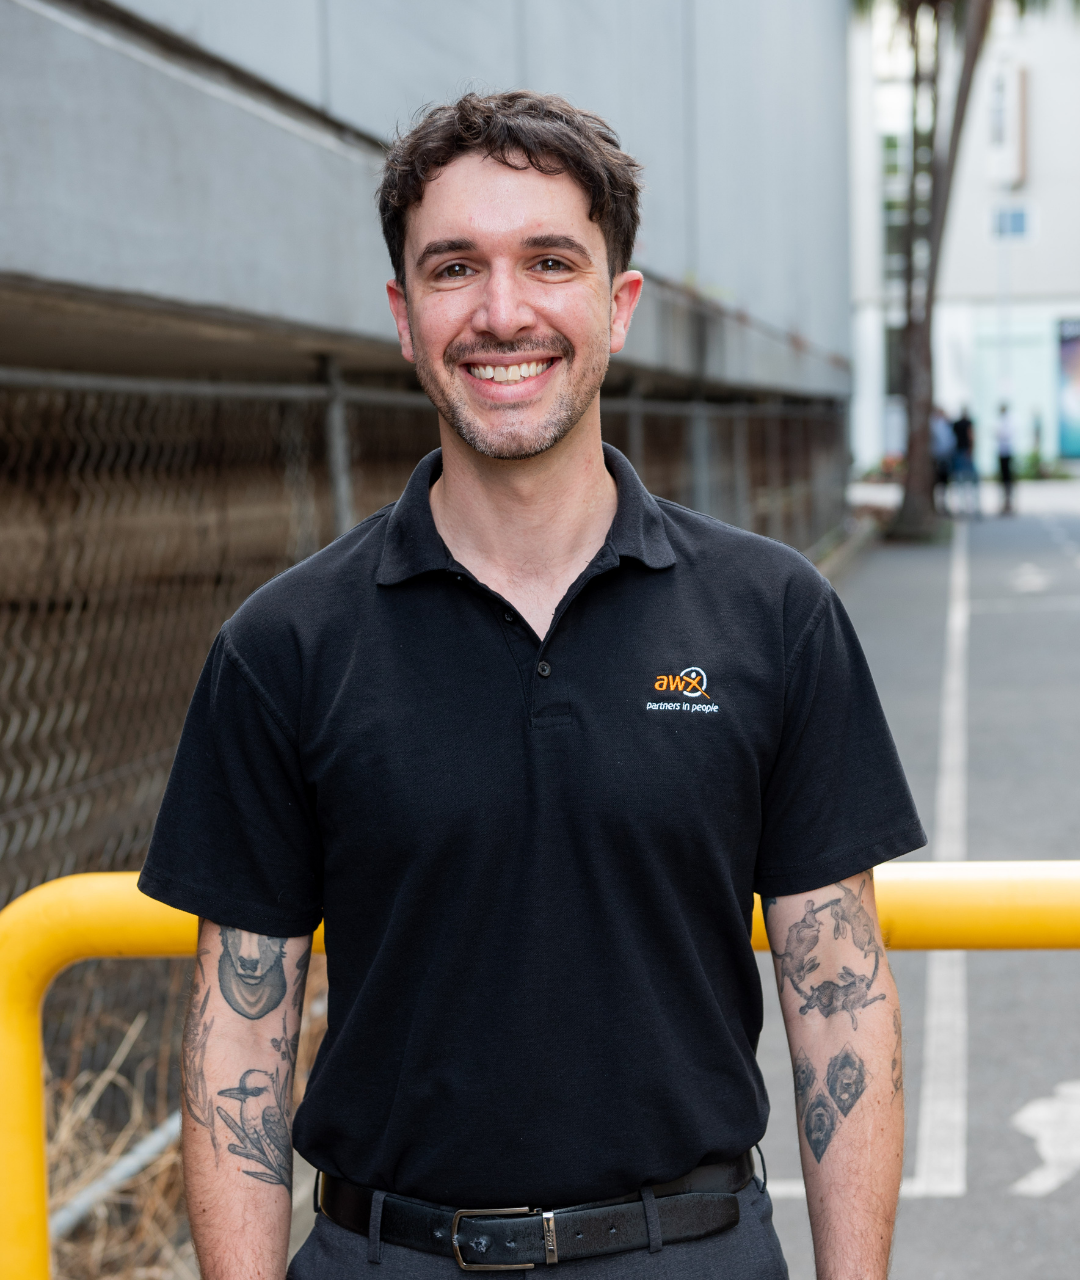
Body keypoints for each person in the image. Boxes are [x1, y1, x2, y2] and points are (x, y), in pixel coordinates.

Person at [138, 92, 925, 1280]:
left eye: (548, 261)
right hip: (385, 1252)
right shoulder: (283, 645)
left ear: (618, 305)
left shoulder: (773, 615)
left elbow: (839, 1000)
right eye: (455, 268)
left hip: (691, 1252)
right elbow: (237, 1033)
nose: (502, 313)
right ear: (404, 317)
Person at [951, 407, 980, 518]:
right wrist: (971, 450)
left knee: (959, 481)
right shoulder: (968, 423)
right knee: (973, 480)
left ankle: (961, 507)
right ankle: (974, 507)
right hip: (965, 453)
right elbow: (971, 437)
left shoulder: (956, 424)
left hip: (958, 452)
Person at [930, 405, 955, 514]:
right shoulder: (934, 424)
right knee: (937, 482)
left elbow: (949, 441)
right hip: (937, 457)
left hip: (944, 457)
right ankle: (940, 504)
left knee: (943, 482)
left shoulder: (944, 424)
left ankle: (943, 504)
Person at [996, 402, 1016, 515]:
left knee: (1008, 478)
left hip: (1007, 451)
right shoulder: (1000, 420)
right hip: (1001, 451)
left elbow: (1007, 434)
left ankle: (1008, 502)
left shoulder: (1008, 420)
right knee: (1003, 478)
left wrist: (1000, 434)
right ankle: (1004, 502)